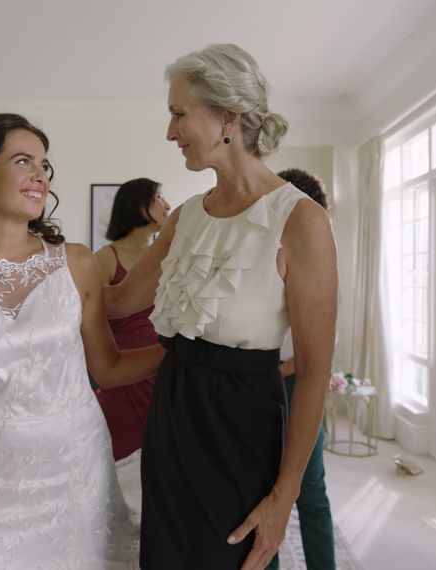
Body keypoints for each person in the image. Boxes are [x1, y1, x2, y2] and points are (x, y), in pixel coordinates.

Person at [105, 45, 339, 569]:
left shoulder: (301, 222)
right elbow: (119, 302)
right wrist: (40, 257)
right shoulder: (185, 216)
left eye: (178, 113)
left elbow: (317, 369)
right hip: (171, 415)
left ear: (228, 116)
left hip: (242, 425)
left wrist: (284, 497)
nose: (170, 132)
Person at [0, 113, 162, 569]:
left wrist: (181, 349)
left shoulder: (75, 263)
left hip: (81, 473)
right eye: (24, 161)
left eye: (44, 165)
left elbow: (107, 368)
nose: (41, 176)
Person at [276, 167, 336, 569]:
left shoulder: (319, 261)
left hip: (294, 382)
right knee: (262, 493)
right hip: (259, 384)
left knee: (309, 490)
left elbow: (317, 353)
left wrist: (265, 371)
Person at [94, 177, 171, 460]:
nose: (167, 205)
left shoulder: (172, 256)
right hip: (124, 378)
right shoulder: (103, 259)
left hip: (166, 372)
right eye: (159, 197)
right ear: (137, 203)